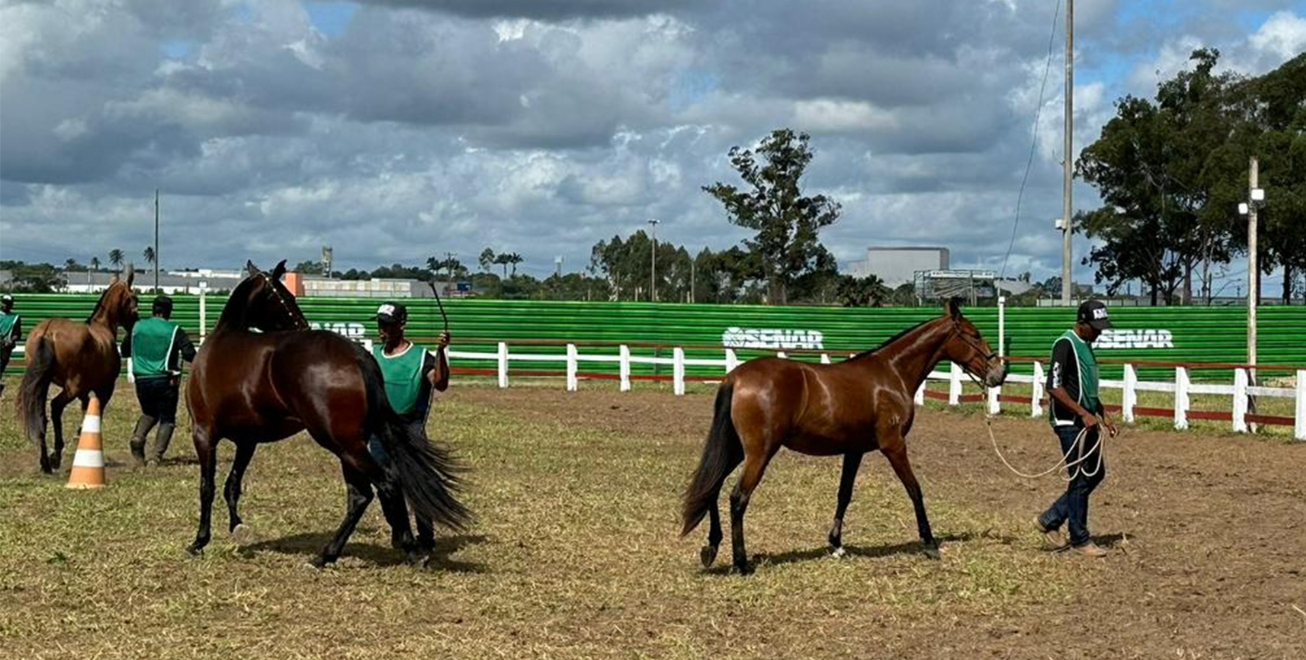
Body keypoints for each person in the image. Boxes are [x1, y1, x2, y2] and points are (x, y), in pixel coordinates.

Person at [1035, 299, 1118, 557]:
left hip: (1086, 421)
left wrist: (1102, 414)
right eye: (1095, 327)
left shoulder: (1086, 346)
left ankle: (1051, 518)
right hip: (1069, 422)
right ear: (1082, 323)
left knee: (1095, 473)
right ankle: (1080, 538)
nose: (1099, 332)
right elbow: (1054, 386)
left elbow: (1086, 389)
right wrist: (1082, 413)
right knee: (1081, 477)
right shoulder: (1065, 344)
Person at [369, 301, 452, 551]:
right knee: (384, 485)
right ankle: (399, 530)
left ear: (401, 326)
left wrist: (441, 353)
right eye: (380, 324)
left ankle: (426, 539)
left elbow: (440, 383)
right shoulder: (373, 356)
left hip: (410, 428)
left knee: (418, 485)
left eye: (388, 325)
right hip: (379, 430)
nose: (382, 329)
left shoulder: (420, 357)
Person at [125, 295, 197, 466]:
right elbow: (189, 354)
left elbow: (125, 350)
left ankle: (138, 437)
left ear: (153, 309)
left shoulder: (137, 327)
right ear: (169, 312)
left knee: (149, 412)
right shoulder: (174, 329)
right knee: (167, 418)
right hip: (165, 380)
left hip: (141, 379)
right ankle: (155, 457)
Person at [0, 294, 20, 399]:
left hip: (5, 347)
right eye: (3, 303)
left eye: (8, 304)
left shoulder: (15, 318)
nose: (5, 306)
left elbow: (17, 334)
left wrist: (11, 340)